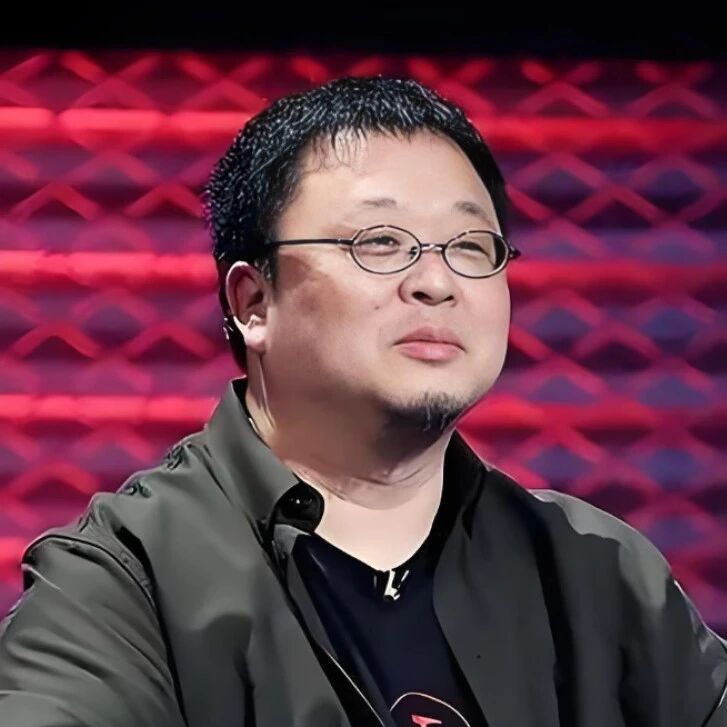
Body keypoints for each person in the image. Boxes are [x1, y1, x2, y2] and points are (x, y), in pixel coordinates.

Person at [1, 76, 725, 727]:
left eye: (471, 245)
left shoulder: (596, 574)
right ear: (253, 302)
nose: (436, 283)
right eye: (380, 242)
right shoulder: (122, 582)